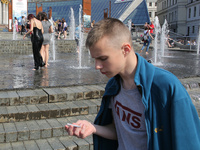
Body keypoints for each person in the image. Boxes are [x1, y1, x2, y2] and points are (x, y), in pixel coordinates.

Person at [65, 18, 200, 150]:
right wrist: (93, 127)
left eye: (103, 58)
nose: (97, 66)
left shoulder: (166, 87)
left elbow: (188, 141)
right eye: (95, 59)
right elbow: (121, 132)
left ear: (125, 49)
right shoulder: (113, 85)